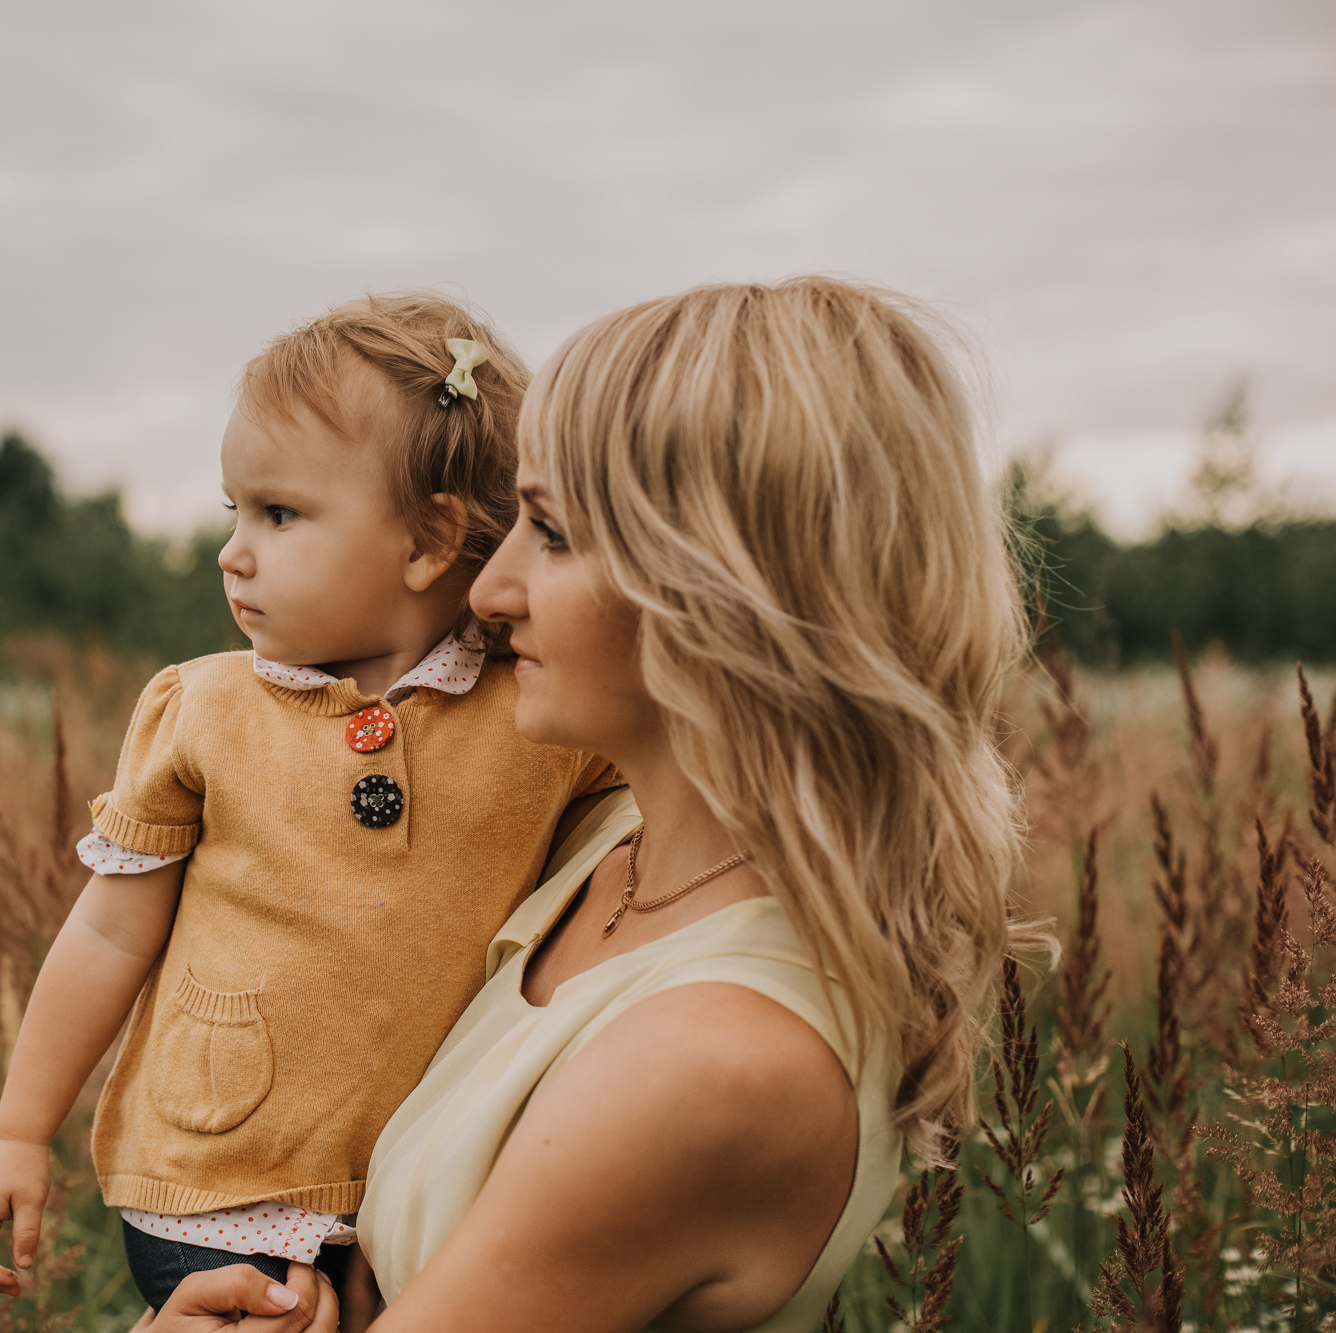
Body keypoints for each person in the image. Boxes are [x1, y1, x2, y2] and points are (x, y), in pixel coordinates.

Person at [142, 276, 1037, 1332]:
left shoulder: (714, 1059)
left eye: (551, 532)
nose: (487, 588)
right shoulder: (613, 849)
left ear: (720, 587)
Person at [0, 292, 621, 1310]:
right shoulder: (204, 709)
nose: (233, 551)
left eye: (278, 514)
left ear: (428, 540)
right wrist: (19, 1129)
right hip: (216, 1188)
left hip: (418, 1185)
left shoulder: (531, 716)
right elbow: (104, 935)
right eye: (235, 512)